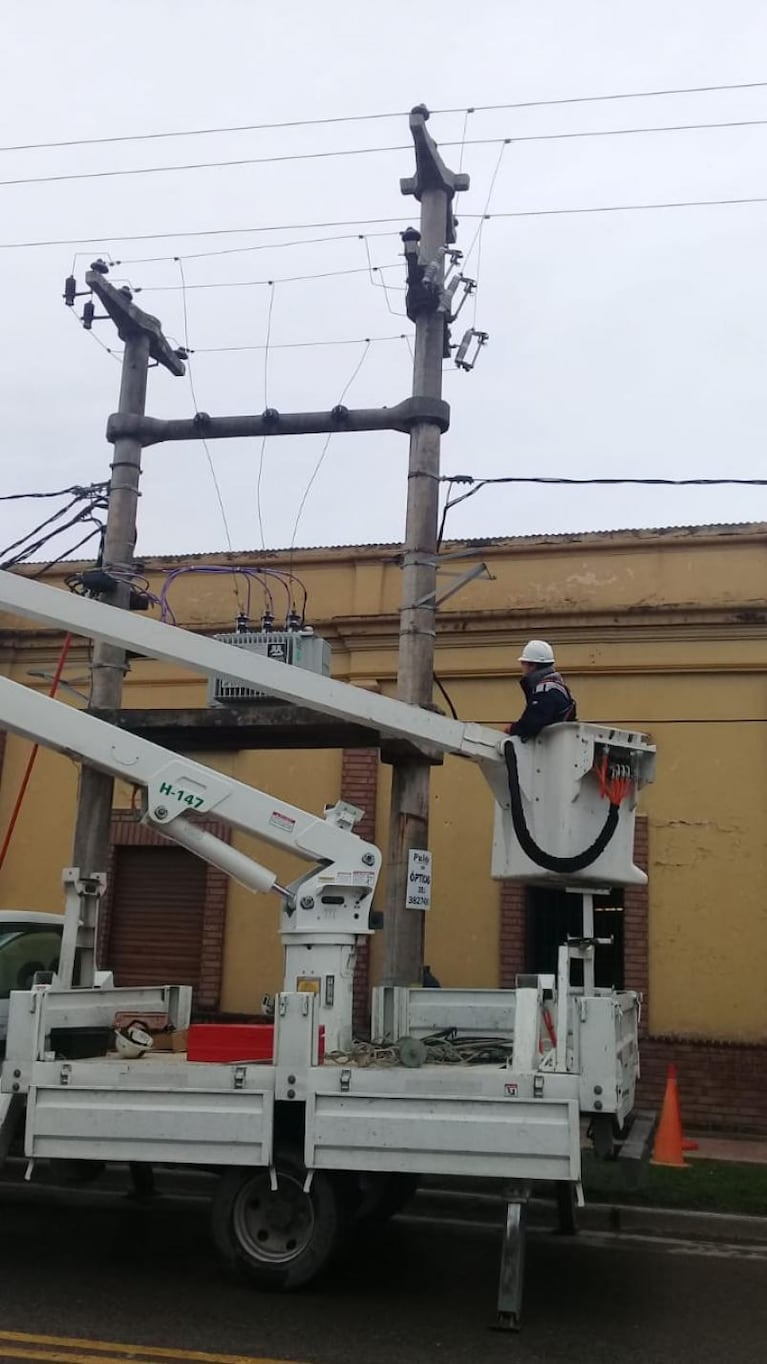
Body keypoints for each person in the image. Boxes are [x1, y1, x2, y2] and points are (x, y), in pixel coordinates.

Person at [504, 640, 576, 740]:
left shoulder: (544, 690)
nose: (522, 668)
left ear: (532, 665)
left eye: (523, 663)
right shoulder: (557, 686)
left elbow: (533, 722)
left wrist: (513, 728)